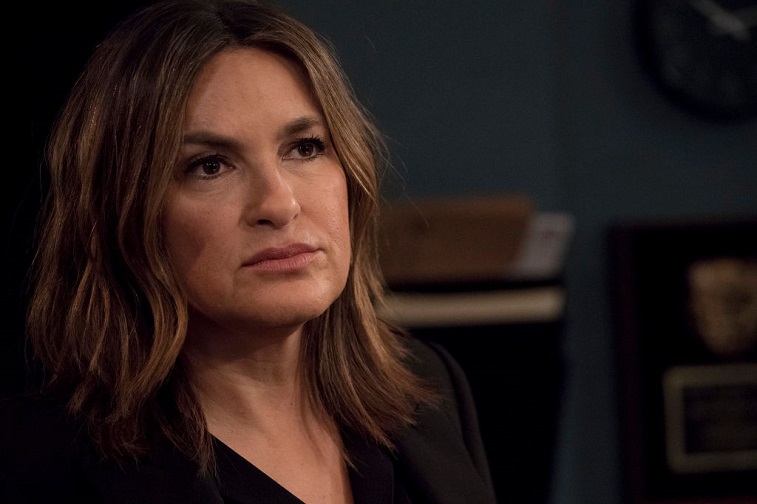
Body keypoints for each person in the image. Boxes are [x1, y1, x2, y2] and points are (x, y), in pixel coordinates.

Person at [0, 1, 497, 502]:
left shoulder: (428, 385)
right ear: (124, 212)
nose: (279, 205)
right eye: (210, 165)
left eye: (305, 147)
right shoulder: (37, 466)